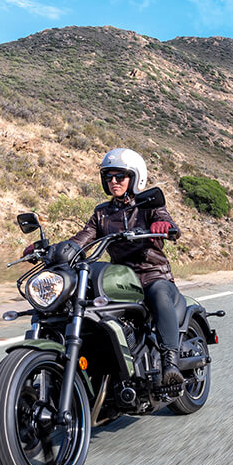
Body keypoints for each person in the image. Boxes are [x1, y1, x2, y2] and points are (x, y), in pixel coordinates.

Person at [64, 147, 185, 386]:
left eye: (120, 176)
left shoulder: (148, 205)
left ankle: (170, 363)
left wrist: (162, 225)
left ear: (134, 178)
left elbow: (168, 223)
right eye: (109, 176)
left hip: (153, 276)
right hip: (120, 279)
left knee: (159, 294)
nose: (113, 181)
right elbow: (82, 238)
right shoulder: (102, 213)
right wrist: (56, 249)